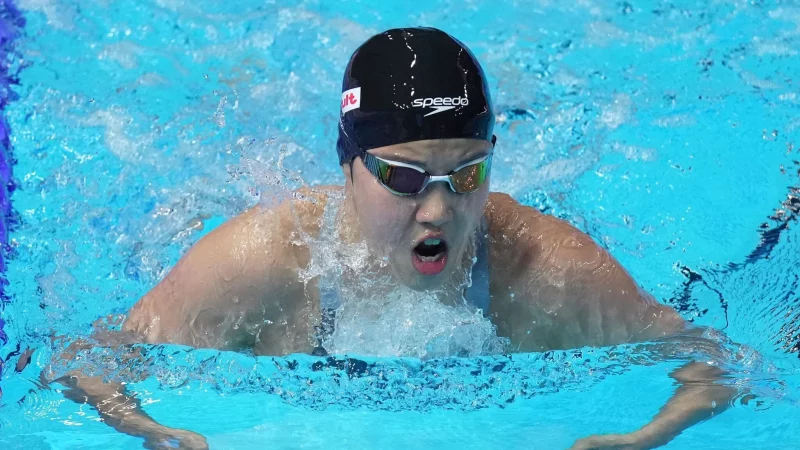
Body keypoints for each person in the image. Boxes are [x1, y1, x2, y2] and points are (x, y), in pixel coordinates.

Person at [50, 27, 735, 449]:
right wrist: (148, 430)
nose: (438, 209)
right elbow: (90, 356)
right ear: (348, 168)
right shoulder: (260, 262)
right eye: (405, 178)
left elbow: (712, 360)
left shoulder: (546, 269)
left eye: (467, 174)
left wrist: (644, 437)